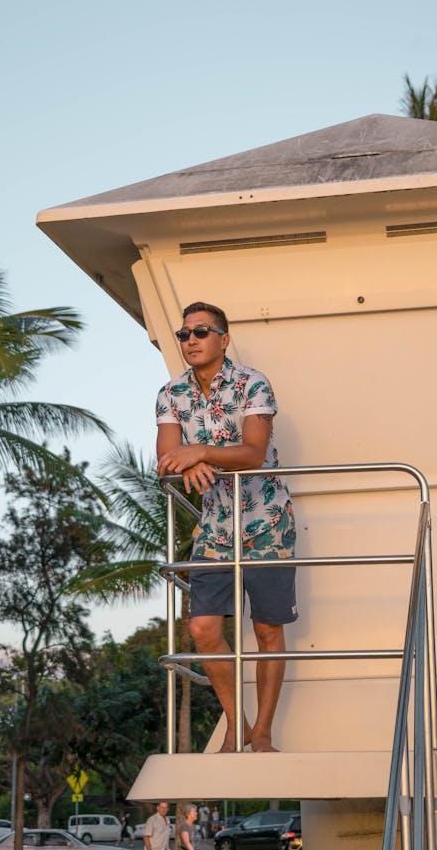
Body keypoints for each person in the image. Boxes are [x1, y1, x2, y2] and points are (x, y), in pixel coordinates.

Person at [156, 301, 296, 753]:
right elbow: (167, 462)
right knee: (202, 628)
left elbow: (253, 453)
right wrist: (186, 464)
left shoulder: (253, 383)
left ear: (223, 339)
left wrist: (197, 451)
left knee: (268, 630)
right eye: (184, 335)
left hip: (266, 521)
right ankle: (237, 722)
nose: (191, 341)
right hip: (214, 526)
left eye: (201, 332)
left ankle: (263, 733)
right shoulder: (170, 394)